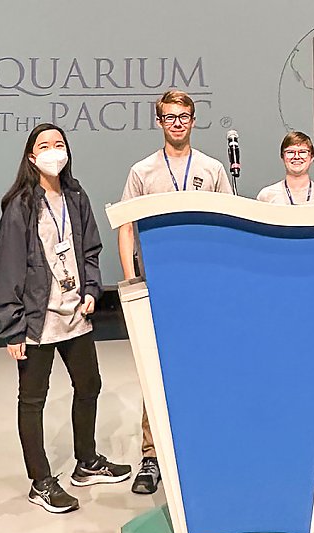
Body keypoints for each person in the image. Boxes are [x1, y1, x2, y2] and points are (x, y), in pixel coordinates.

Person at [0, 123, 131, 513]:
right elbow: (7, 268)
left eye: (59, 144)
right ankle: (41, 482)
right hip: (37, 318)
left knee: (89, 385)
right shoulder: (20, 204)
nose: (54, 151)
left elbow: (90, 248)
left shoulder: (75, 194)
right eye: (45, 146)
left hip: (75, 312)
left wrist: (91, 289)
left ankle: (86, 462)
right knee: (33, 400)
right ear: (31, 157)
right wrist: (12, 326)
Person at [118, 89, 233, 494]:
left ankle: (201, 449)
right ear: (160, 121)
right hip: (158, 285)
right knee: (157, 370)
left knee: (205, 368)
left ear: (194, 119)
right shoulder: (143, 171)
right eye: (170, 117)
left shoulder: (213, 168)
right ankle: (152, 457)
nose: (178, 122)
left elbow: (229, 224)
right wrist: (132, 279)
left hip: (204, 286)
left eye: (184, 115)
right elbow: (126, 227)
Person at [255, 131, 314, 205]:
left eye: (303, 152)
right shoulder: (266, 196)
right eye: (290, 152)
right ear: (282, 157)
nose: (296, 157)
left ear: (312, 157)